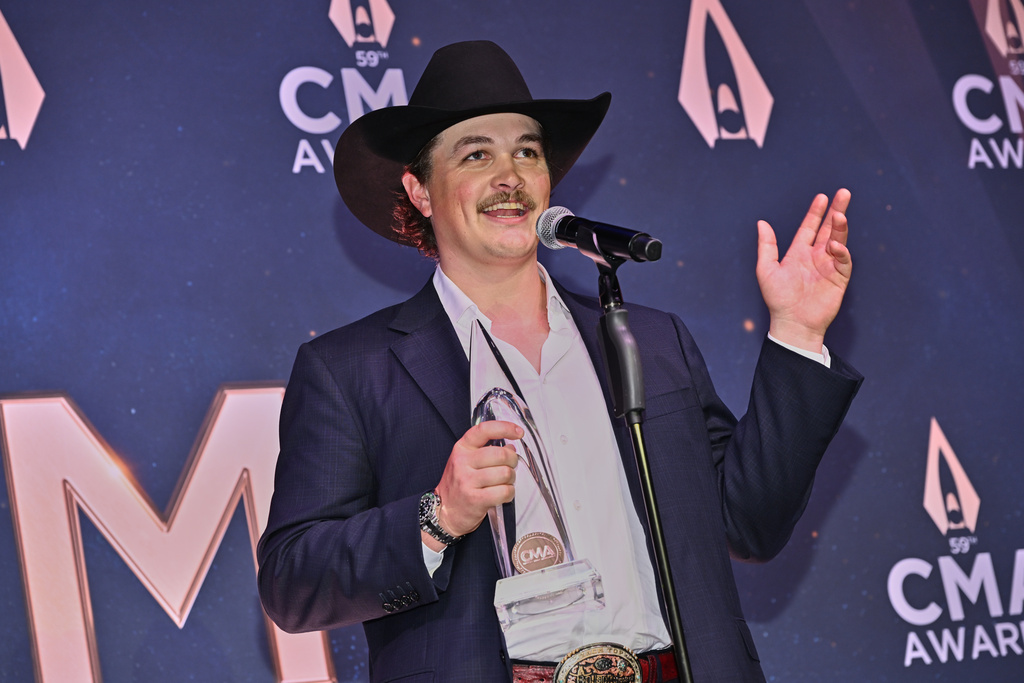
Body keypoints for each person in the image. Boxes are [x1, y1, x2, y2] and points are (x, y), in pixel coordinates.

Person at [257, 40, 863, 683]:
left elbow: (749, 524)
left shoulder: (650, 341)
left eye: (527, 151)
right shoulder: (351, 368)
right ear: (421, 191)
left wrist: (797, 332)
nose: (509, 176)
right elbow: (293, 585)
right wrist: (438, 517)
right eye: (476, 155)